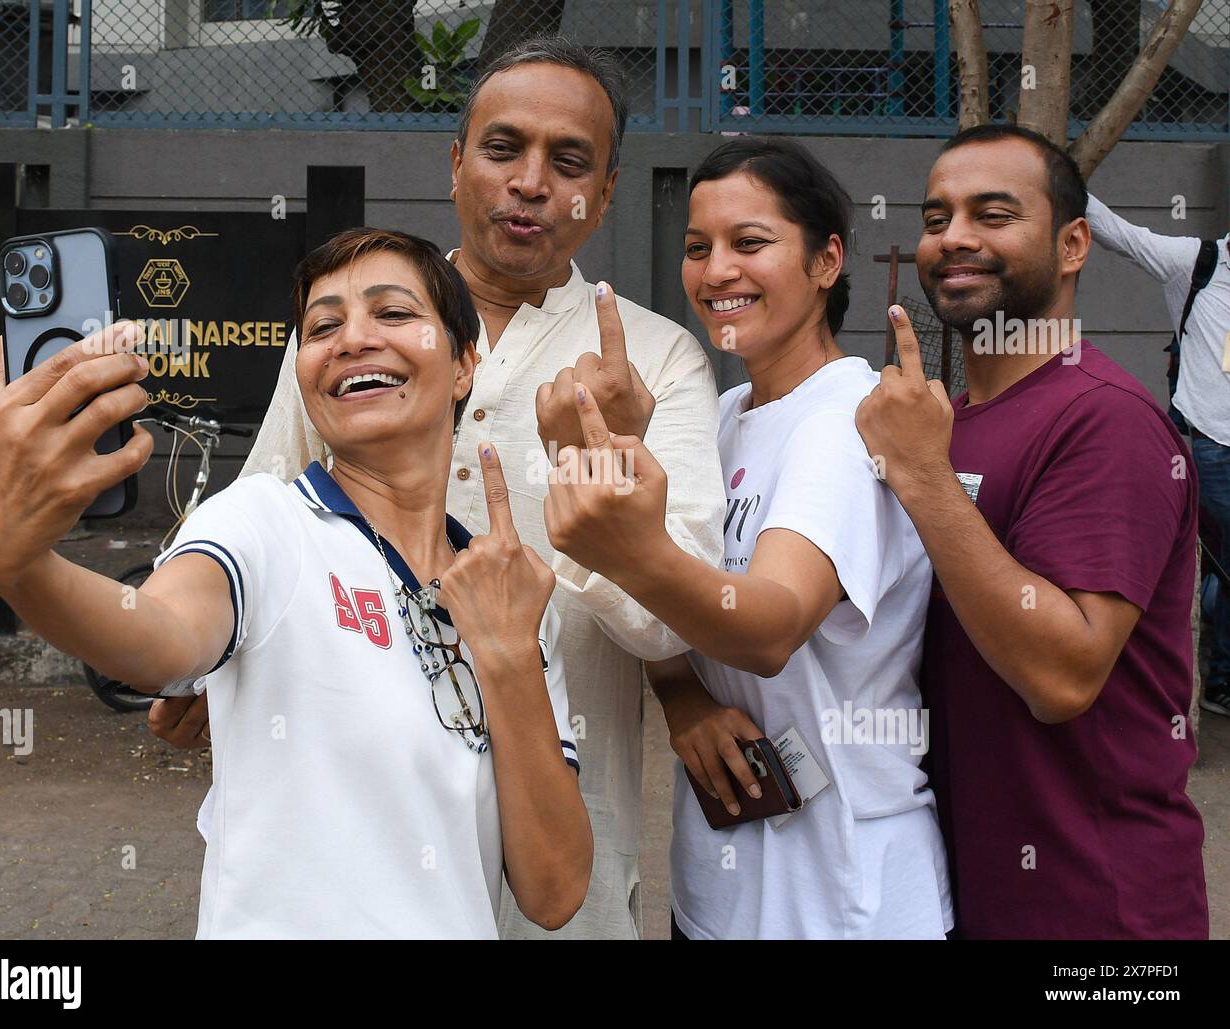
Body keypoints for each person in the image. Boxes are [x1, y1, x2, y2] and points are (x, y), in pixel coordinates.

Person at [148, 35, 725, 940]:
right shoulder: (355, 332)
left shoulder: (656, 360)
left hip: (564, 847)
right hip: (347, 855)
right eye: (503, 148)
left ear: (606, 192)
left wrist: (601, 491)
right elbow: (258, 519)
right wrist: (207, 657)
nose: (531, 181)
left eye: (568, 161)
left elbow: (677, 619)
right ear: (457, 165)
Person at [0, 228, 593, 938]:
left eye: (392, 313)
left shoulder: (515, 598)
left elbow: (554, 889)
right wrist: (22, 567)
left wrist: (507, 656)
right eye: (323, 326)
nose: (352, 339)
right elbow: (157, 638)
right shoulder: (261, 523)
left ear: (465, 362)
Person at [545, 138, 953, 939]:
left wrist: (627, 543)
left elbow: (768, 627)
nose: (716, 270)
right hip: (720, 880)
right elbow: (662, 611)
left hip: (845, 893)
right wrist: (683, 694)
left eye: (750, 243)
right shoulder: (724, 418)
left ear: (827, 260)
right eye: (698, 248)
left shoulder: (848, 418)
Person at [855, 124, 1208, 939]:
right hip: (962, 890)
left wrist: (924, 478)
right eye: (936, 216)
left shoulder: (1105, 420)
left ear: (1073, 243)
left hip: (1098, 913)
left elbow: (1061, 675)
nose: (955, 239)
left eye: (994, 214)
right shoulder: (950, 422)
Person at [1086, 193, 1230, 717]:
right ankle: (1219, 682)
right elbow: (1123, 234)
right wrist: (1056, 171)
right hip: (1210, 443)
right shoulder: (1199, 262)